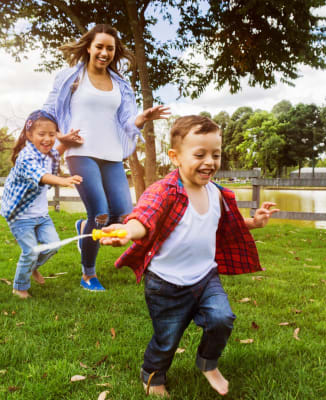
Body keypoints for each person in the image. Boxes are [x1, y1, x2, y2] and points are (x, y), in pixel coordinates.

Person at [100, 115, 279, 397]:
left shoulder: (218, 194)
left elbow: (226, 224)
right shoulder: (164, 191)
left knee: (222, 318)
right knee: (167, 339)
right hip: (165, 284)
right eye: (200, 154)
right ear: (175, 157)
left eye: (216, 154)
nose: (210, 161)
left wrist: (254, 223)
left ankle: (208, 363)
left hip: (205, 277)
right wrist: (127, 230)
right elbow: (144, 217)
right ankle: (153, 376)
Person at [42, 24, 170, 291]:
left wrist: (142, 118)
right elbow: (50, 111)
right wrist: (60, 138)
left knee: (124, 215)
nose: (104, 52)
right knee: (100, 214)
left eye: (109, 48)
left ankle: (83, 228)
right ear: (88, 47)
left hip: (111, 153)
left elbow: (126, 121)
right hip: (81, 152)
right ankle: (88, 274)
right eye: (99, 46)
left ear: (115, 51)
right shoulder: (71, 78)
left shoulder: (120, 84)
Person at [1, 110, 83, 299]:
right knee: (29, 251)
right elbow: (41, 175)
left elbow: (57, 151)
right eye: (41, 134)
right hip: (20, 215)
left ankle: (31, 267)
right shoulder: (26, 156)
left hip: (40, 215)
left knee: (53, 245)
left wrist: (66, 141)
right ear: (29, 135)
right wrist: (62, 180)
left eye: (51, 134)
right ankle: (19, 287)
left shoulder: (47, 153)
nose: (47, 139)